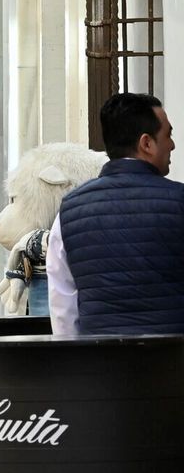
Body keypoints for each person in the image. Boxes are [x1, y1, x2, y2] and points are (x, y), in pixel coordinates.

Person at [47, 92, 184, 335]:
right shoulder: (179, 201)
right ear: (146, 143)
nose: (172, 144)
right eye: (168, 135)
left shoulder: (69, 211)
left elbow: (63, 310)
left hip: (101, 366)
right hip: (172, 364)